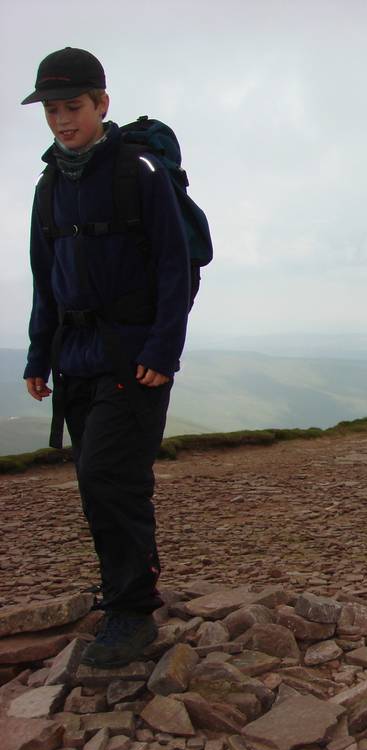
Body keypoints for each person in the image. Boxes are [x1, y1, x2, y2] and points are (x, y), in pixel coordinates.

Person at [21, 48, 191, 667]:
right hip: (75, 357)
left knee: (108, 477)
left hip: (132, 357)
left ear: (101, 104)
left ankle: (132, 611)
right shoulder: (48, 185)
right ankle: (123, 591)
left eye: (73, 107)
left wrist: (163, 350)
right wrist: (40, 354)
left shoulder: (138, 171)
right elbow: (47, 279)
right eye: (52, 110)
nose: (62, 121)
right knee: (98, 484)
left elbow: (177, 266)